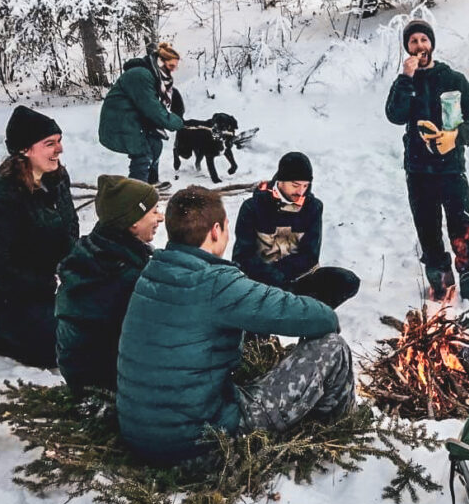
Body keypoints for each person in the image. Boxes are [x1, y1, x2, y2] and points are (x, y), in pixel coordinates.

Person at [117, 186, 354, 465]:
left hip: (140, 436)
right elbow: (319, 318)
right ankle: (339, 438)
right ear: (216, 230)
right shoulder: (216, 282)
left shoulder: (152, 274)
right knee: (332, 347)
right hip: (200, 445)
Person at [0, 106, 78, 368]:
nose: (59, 149)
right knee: (61, 348)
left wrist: (74, 268)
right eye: (49, 144)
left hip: (42, 282)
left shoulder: (56, 177)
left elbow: (69, 226)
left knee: (90, 325)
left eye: (59, 141)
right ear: (24, 149)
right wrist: (46, 282)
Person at [385, 19, 469, 303]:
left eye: (423, 40)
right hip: (418, 171)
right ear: (407, 47)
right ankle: (441, 286)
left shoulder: (453, 78)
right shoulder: (405, 82)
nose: (419, 46)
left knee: (463, 228)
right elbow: (395, 115)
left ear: (432, 44)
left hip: (452, 168)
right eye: (414, 41)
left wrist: (457, 137)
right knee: (428, 230)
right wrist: (405, 79)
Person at [55, 176, 163, 395]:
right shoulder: (122, 274)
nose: (160, 217)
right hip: (106, 385)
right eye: (153, 211)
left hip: (80, 375)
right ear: (132, 221)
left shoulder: (95, 250)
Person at [233, 152, 360, 309]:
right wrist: (271, 276)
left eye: (305, 186)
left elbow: (310, 255)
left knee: (347, 281)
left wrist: (284, 275)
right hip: (260, 281)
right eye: (295, 185)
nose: (300, 192)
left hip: (297, 278)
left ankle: (314, 322)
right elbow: (242, 256)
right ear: (281, 181)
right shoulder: (252, 208)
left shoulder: (313, 207)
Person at [99, 42, 185, 184]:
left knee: (155, 143)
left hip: (134, 119)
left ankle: (151, 182)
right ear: (160, 62)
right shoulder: (140, 75)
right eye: (171, 66)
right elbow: (152, 108)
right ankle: (137, 190)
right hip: (121, 121)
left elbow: (153, 107)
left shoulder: (153, 76)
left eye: (175, 67)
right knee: (142, 151)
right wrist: (175, 122)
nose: (173, 70)